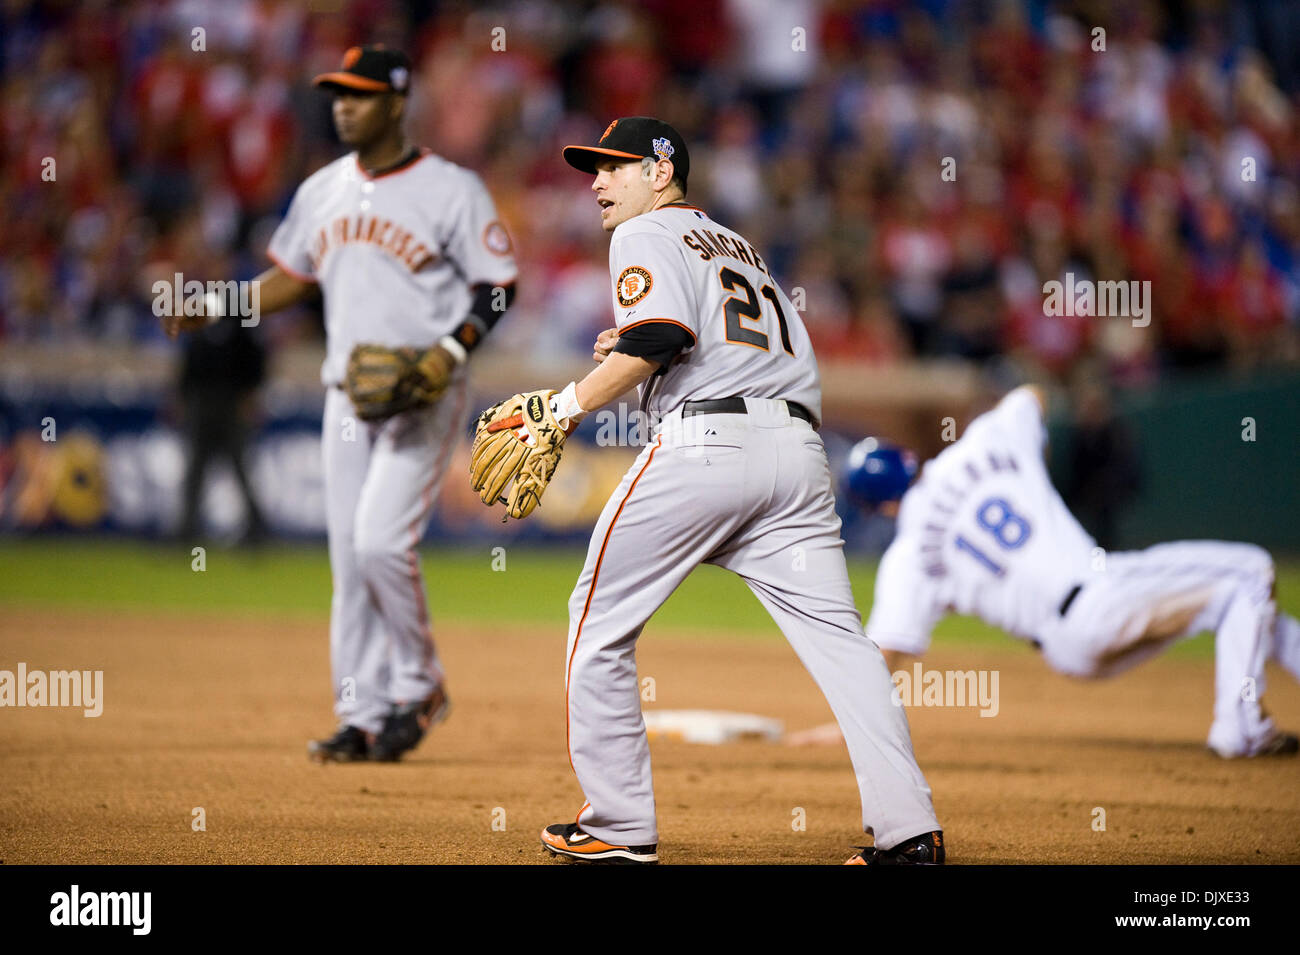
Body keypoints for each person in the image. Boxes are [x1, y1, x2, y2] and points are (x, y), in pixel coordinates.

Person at [476, 117, 944, 865]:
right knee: (845, 647)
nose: (596, 183)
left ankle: (619, 822)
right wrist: (639, 352)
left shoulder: (642, 234)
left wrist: (561, 407)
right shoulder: (744, 249)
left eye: (613, 168)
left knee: (597, 622)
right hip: (796, 454)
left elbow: (661, 335)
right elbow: (692, 339)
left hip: (707, 448)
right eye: (592, 170)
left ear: (661, 172)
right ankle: (910, 832)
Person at [163, 46, 518, 762]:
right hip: (346, 395)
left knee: (381, 542)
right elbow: (291, 278)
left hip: (427, 390)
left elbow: (500, 285)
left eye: (358, 94)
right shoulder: (321, 189)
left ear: (396, 101)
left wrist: (451, 351)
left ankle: (418, 685)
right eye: (336, 94)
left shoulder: (452, 189)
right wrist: (215, 302)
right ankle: (360, 715)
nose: (342, 106)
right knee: (348, 560)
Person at [793, 386, 1299, 759]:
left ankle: (1243, 720)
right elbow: (1031, 397)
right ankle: (1241, 728)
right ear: (909, 458)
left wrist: (846, 726)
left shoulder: (907, 558)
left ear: (877, 508)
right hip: (1102, 594)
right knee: (1253, 570)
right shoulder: (985, 443)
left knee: (1236, 602)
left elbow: (886, 655)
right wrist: (1032, 461)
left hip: (1070, 651)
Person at [176, 317, 269, 545]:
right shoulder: (201, 316)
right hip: (202, 402)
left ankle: (256, 528)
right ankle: (186, 530)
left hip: (233, 402)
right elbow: (190, 359)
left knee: (239, 467)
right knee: (195, 469)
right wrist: (182, 395)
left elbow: (255, 356)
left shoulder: (239, 317)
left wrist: (251, 395)